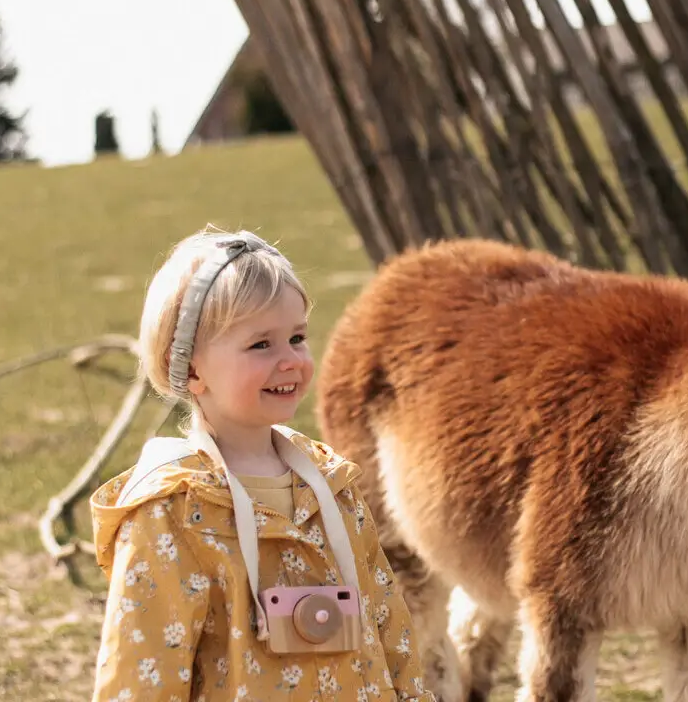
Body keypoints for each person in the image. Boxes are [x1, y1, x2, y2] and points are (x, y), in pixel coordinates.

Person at [89, 226, 435, 701]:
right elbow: (142, 673)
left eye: (297, 337)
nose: (290, 360)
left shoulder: (332, 487)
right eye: (261, 345)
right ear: (189, 367)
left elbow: (390, 627)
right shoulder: (169, 513)